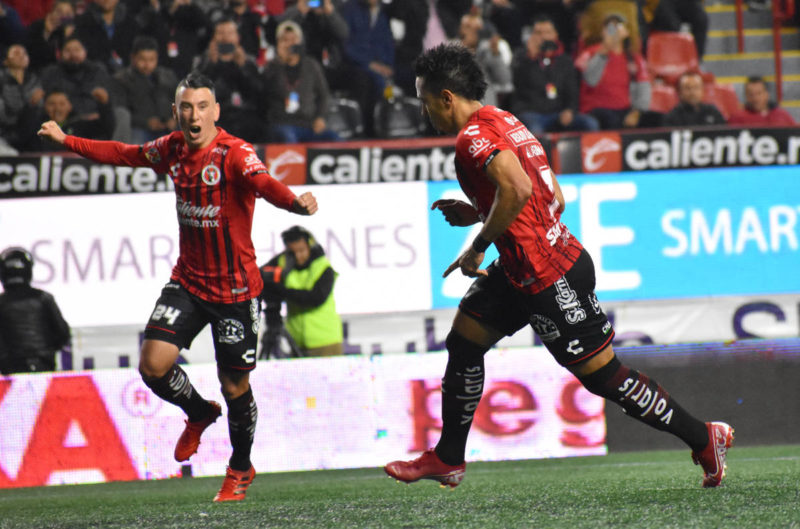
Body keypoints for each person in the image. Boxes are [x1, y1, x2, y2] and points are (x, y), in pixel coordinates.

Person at [383, 43, 733, 490]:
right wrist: (478, 208)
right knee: (465, 341)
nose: (423, 109)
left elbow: (518, 189)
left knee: (604, 376)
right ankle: (448, 457)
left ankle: (704, 437)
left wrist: (478, 245)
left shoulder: (472, 138)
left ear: (446, 97)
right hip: (522, 268)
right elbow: (551, 196)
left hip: (551, 276)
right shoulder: (505, 120)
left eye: (424, 98)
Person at [37, 72, 318, 502]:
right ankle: (199, 412)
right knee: (152, 366)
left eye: (203, 106)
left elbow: (265, 185)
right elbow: (122, 152)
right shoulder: (171, 148)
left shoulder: (235, 154)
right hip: (187, 282)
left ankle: (240, 468)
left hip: (235, 293)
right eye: (186, 107)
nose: (194, 115)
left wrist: (294, 201)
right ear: (176, 111)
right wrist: (66, 139)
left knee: (235, 387)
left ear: (216, 111)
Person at [259, 226, 343, 359]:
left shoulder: (323, 268)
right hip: (297, 341)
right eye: (293, 252)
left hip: (325, 342)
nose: (298, 256)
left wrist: (280, 290)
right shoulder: (284, 262)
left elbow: (314, 298)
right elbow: (260, 276)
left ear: (310, 246)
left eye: (302, 250)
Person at [511, 16, 598, 135]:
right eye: (538, 33)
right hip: (531, 112)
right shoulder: (521, 57)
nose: (543, 37)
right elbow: (517, 84)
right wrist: (531, 58)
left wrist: (570, 110)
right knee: (535, 128)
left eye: (547, 32)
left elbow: (572, 90)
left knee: (590, 123)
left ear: (555, 35)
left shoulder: (564, 61)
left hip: (559, 112)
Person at [262, 20, 340, 143]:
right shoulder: (272, 66)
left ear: (300, 42)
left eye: (293, 39)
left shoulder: (311, 65)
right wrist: (279, 63)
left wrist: (321, 118)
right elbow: (264, 92)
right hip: (282, 123)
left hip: (309, 125)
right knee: (288, 137)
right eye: (285, 40)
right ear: (278, 43)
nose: (289, 44)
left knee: (335, 139)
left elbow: (324, 95)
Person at [0, 247, 71, 375]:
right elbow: (63, 334)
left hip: (11, 374)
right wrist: (45, 353)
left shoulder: (43, 299)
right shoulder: (44, 299)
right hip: (44, 369)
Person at [193, 17, 265, 143]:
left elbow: (258, 95)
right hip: (217, 117)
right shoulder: (203, 63)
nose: (225, 38)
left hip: (245, 116)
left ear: (238, 37)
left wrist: (243, 68)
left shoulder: (248, 62)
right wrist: (212, 66)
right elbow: (197, 94)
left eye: (230, 33)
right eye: (221, 33)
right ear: (214, 38)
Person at [575, 13, 652, 130]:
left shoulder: (634, 58)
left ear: (625, 32)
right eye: (610, 28)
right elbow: (590, 80)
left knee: (655, 119)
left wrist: (637, 112)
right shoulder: (590, 53)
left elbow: (644, 86)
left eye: (618, 27)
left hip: (625, 109)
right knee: (610, 119)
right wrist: (604, 50)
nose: (614, 32)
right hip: (596, 109)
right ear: (603, 32)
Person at [114, 35, 178, 144]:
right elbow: (121, 112)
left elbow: (179, 101)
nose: (147, 64)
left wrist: (174, 119)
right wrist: (146, 123)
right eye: (142, 59)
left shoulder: (167, 76)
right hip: (138, 128)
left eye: (152, 59)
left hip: (167, 128)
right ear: (133, 58)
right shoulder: (122, 80)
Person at [455, 11, 512, 109]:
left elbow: (504, 79)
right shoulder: (451, 50)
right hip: (460, 109)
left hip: (486, 108)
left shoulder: (487, 51)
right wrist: (465, 49)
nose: (472, 31)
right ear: (461, 29)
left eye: (476, 28)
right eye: (468, 27)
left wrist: (495, 55)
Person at [0, 44, 45, 151]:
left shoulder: (33, 79)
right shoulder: (1, 79)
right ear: (5, 61)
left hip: (29, 131)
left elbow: (39, 107)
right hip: (5, 130)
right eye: (16, 53)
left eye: (24, 53)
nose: (21, 56)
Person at [728, 76, 796, 126]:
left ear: (766, 94)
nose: (755, 98)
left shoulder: (781, 115)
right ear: (746, 96)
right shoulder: (737, 118)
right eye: (751, 94)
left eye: (759, 93)